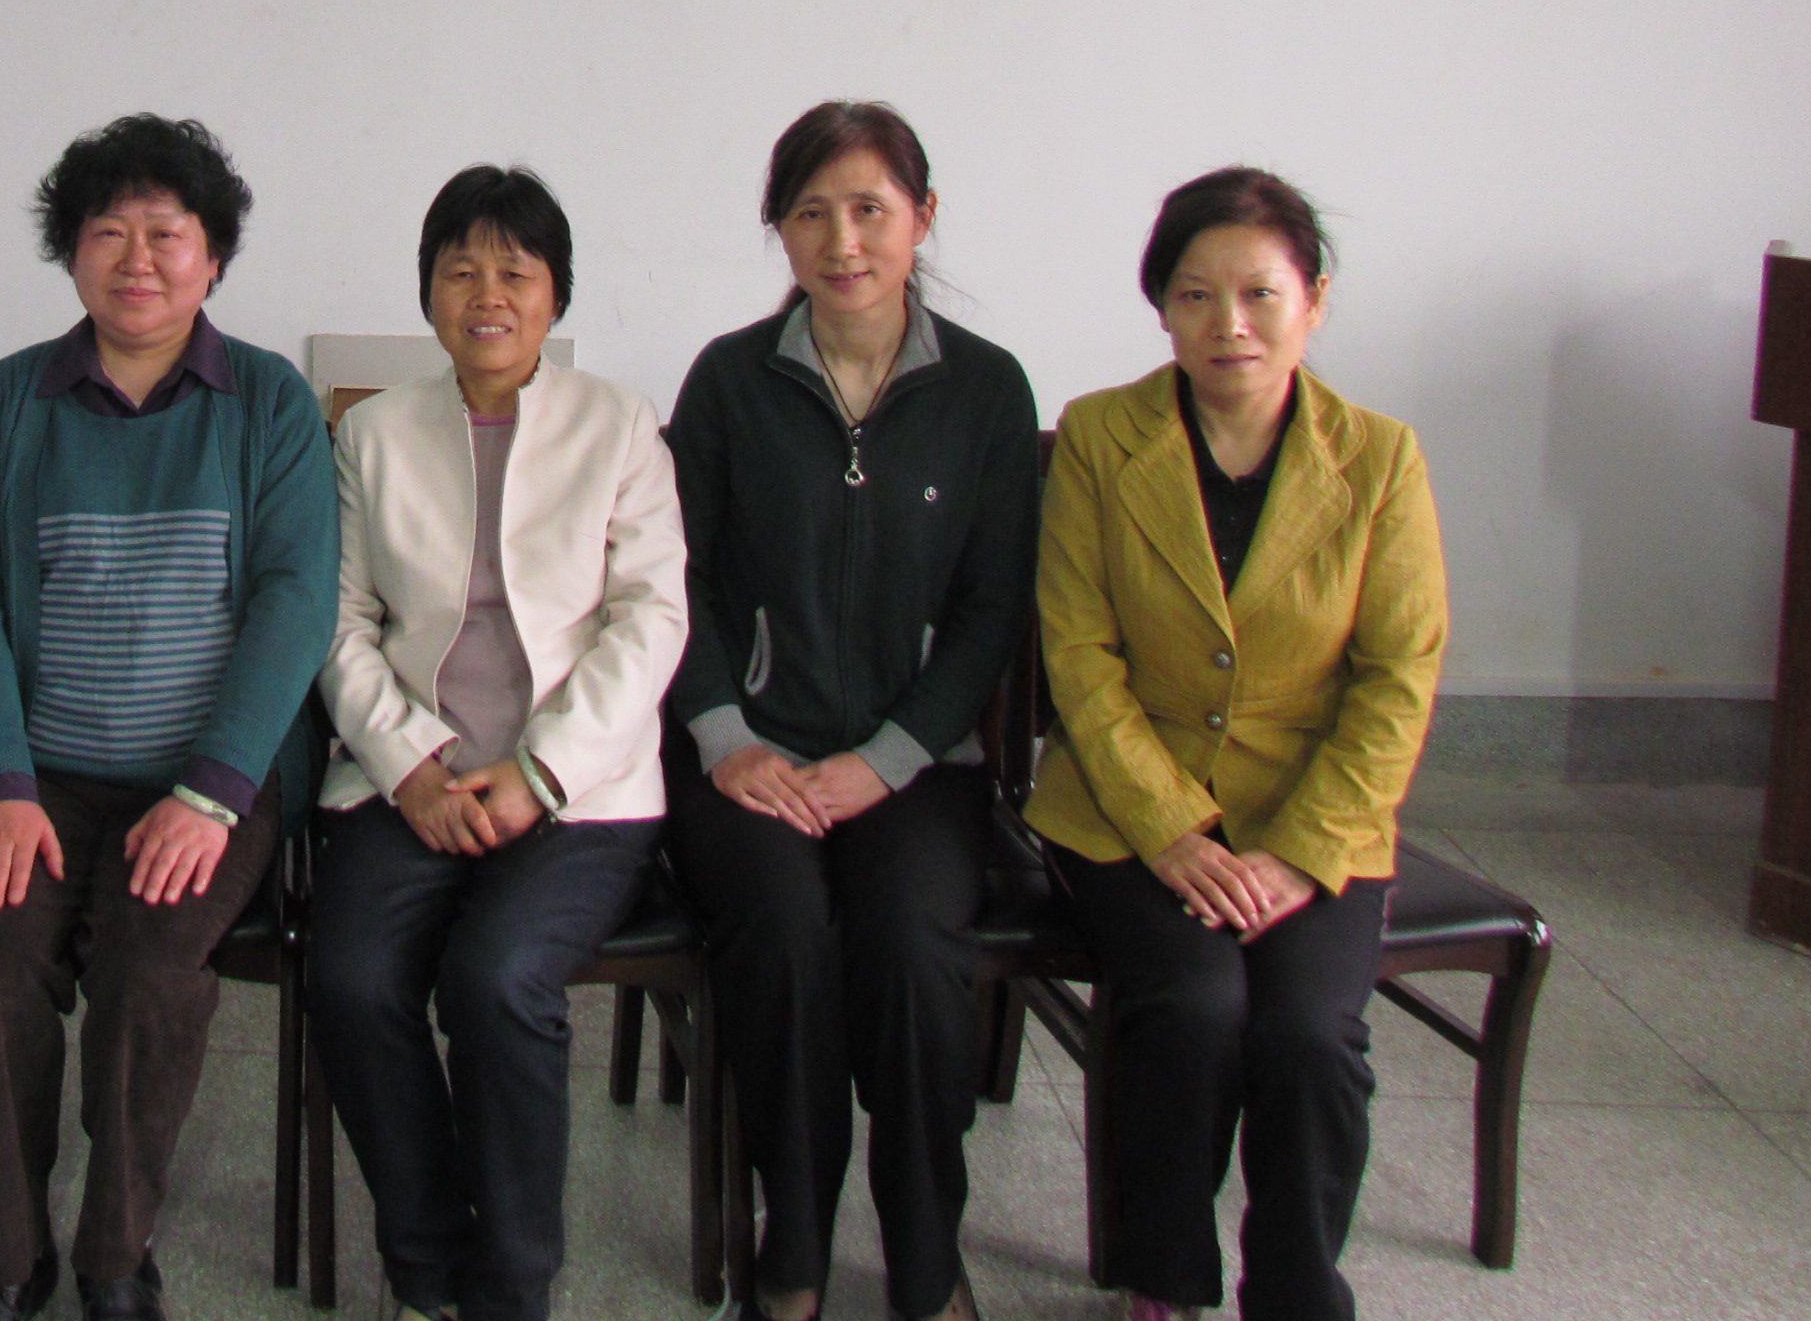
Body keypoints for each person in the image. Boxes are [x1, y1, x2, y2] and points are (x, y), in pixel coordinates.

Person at [0, 114, 337, 1321]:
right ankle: (7, 1257)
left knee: (151, 967)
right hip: (38, 774)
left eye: (168, 234)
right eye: (109, 233)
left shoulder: (268, 403)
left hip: (210, 779)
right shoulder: (8, 402)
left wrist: (211, 791)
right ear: (71, 253)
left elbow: (297, 601)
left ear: (213, 256)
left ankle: (116, 1254)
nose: (139, 260)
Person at [1025, 167, 1445, 1321]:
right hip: (1127, 807)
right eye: (1197, 295)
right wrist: (1169, 831)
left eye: (1261, 293)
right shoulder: (1104, 437)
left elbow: (1399, 676)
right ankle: (1161, 1279)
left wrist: (1302, 852)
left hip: (1314, 820)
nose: (1231, 324)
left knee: (1310, 1035)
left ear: (1314, 301)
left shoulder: (1380, 458)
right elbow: (1079, 656)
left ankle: (1300, 1293)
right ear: (1162, 307)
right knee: (1193, 1006)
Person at [664, 102, 1039, 1321]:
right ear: (778, 230)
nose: (843, 241)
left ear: (923, 219)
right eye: (811, 213)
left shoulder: (987, 391)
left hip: (916, 766)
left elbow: (992, 611)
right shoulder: (730, 381)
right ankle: (795, 1235)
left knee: (913, 951)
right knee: (780, 936)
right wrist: (726, 738)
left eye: (871, 209)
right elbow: (675, 582)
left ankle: (925, 1246)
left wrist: (886, 759)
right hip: (750, 757)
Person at [307, 165, 688, 1321]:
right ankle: (429, 1267)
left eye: (514, 272)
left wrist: (539, 773)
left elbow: (652, 619)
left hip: (578, 790)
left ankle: (514, 1287)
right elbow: (339, 625)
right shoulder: (371, 432)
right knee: (351, 977)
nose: (487, 295)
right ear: (427, 290)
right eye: (459, 270)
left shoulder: (619, 426)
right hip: (408, 779)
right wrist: (411, 765)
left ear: (555, 293)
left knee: (498, 977)